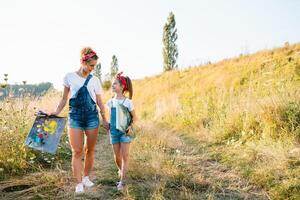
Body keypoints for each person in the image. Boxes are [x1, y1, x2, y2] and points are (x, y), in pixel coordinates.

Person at [49, 47, 109, 193]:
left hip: (91, 117)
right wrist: (56, 112)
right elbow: (64, 98)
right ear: (83, 61)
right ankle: (78, 183)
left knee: (90, 150)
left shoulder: (95, 80)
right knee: (77, 151)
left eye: (94, 66)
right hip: (74, 117)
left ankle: (86, 177)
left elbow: (100, 102)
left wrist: (104, 118)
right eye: (91, 65)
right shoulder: (69, 76)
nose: (92, 69)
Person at [106, 72, 137, 191]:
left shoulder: (128, 102)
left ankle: (122, 181)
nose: (112, 86)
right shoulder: (110, 102)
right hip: (114, 132)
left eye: (115, 84)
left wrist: (130, 127)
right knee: (117, 156)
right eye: (112, 84)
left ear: (122, 86)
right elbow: (110, 117)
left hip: (125, 132)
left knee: (125, 156)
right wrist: (107, 122)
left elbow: (135, 118)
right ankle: (120, 170)